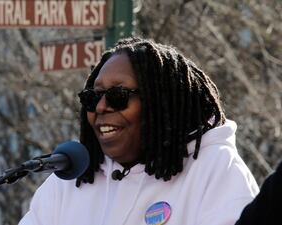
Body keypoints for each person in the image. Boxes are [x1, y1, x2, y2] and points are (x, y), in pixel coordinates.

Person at [19, 37, 259, 225]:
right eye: (92, 97)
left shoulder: (214, 169)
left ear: (161, 102)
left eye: (118, 96)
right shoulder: (69, 182)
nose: (102, 107)